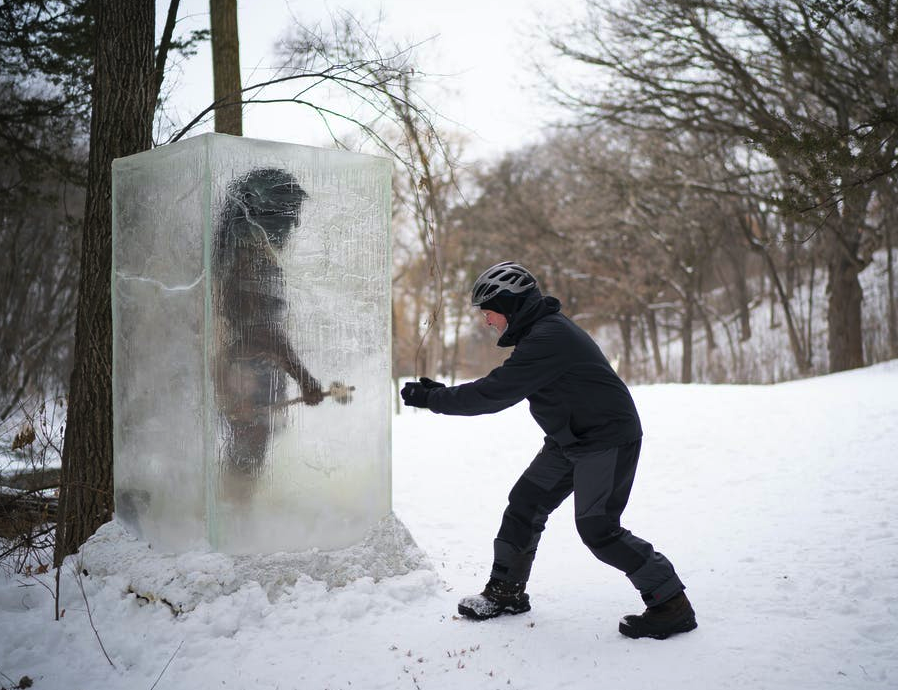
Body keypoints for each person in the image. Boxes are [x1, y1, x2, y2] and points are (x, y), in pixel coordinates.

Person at [400, 261, 696, 640]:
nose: (487, 321)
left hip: (606, 439)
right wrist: (439, 393)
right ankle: (506, 593)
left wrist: (432, 398)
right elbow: (500, 386)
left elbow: (495, 392)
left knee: (598, 529)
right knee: (525, 503)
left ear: (508, 306)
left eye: (488, 311)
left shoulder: (548, 337)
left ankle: (671, 604)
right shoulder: (539, 334)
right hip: (570, 439)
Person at [213, 167, 325, 484]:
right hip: (246, 379)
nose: (296, 222)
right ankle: (237, 519)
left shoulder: (242, 257)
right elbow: (263, 330)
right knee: (247, 460)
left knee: (248, 457)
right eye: (290, 213)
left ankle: (238, 513)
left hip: (249, 377)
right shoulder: (249, 262)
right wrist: (304, 377)